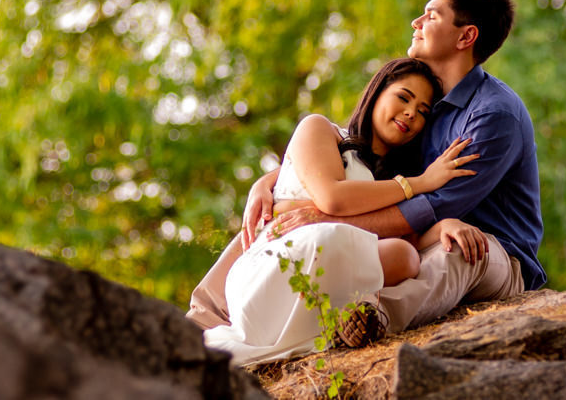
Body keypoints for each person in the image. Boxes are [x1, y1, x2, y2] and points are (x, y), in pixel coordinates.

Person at [188, 0, 544, 341]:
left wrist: (322, 213)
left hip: (489, 249)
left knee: (460, 249)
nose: (416, 23)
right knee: (280, 216)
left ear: (465, 37)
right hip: (418, 234)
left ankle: (371, 317)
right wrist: (269, 183)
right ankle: (204, 316)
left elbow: (434, 205)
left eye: (431, 16)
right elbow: (348, 153)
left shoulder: (493, 115)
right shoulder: (426, 107)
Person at [200, 58, 488, 366]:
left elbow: (404, 234)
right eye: (403, 98)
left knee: (404, 256)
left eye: (422, 112)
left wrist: (445, 225)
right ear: (376, 93)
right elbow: (332, 198)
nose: (410, 113)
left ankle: (335, 329)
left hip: (323, 280)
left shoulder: (384, 182)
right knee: (388, 250)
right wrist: (419, 183)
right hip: (272, 270)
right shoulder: (319, 129)